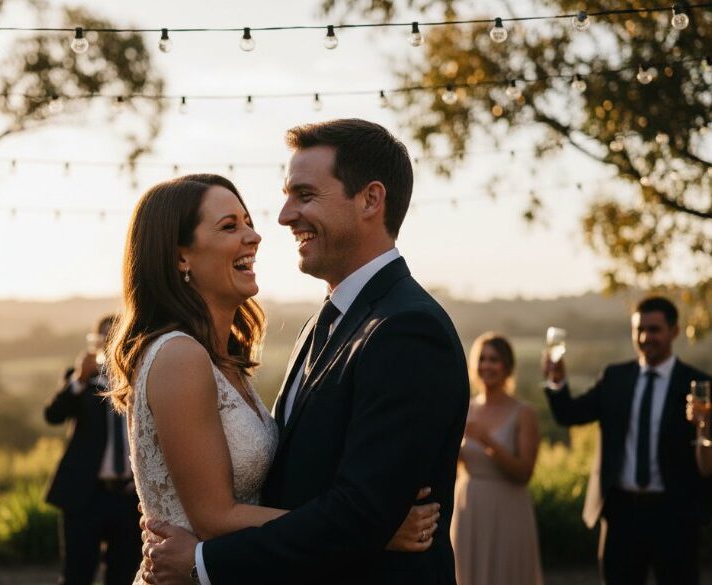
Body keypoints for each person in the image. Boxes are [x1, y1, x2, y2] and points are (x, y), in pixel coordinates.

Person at [141, 119, 470, 585]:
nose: (282, 216)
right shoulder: (323, 322)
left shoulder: (407, 330)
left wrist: (202, 563)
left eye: (305, 195)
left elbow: (361, 510)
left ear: (370, 200)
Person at [544, 296, 712, 585]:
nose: (646, 337)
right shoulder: (615, 378)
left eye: (655, 329)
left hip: (674, 515)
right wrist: (557, 383)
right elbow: (569, 415)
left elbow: (706, 463)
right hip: (621, 513)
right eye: (639, 330)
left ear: (674, 330)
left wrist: (704, 425)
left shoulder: (698, 385)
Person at [44, 314, 142, 585]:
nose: (109, 344)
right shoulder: (81, 381)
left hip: (127, 496)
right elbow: (53, 415)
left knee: (123, 574)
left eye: (116, 336)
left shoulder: (141, 379)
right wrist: (78, 378)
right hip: (84, 494)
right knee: (77, 573)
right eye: (104, 338)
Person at [451, 333, 542, 585]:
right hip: (469, 508)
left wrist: (487, 440)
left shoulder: (523, 413)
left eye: (494, 359)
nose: (487, 366)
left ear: (507, 366)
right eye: (482, 359)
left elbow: (524, 472)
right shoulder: (464, 408)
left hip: (508, 510)